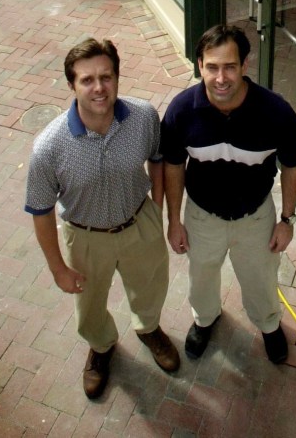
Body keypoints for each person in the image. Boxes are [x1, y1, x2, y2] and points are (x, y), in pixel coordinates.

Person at [24, 38, 179, 399]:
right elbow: (41, 212)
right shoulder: (49, 147)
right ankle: (101, 346)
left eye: (106, 77)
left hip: (140, 223)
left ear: (117, 78)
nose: (98, 87)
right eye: (87, 79)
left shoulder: (143, 116)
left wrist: (156, 208)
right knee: (90, 302)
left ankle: (149, 328)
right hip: (87, 235)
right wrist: (58, 269)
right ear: (71, 85)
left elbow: (157, 158)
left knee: (151, 285)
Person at [161, 24, 296, 364]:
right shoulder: (182, 110)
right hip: (202, 216)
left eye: (230, 66)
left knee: (260, 278)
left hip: (255, 216)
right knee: (201, 275)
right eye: (212, 67)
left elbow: (292, 165)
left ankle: (269, 324)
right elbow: (172, 166)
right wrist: (174, 220)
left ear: (245, 65)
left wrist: (287, 220)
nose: (221, 77)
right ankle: (205, 319)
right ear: (199, 65)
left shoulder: (275, 112)